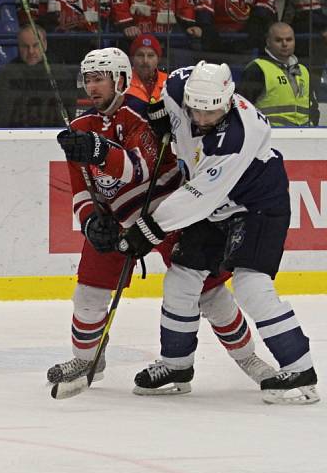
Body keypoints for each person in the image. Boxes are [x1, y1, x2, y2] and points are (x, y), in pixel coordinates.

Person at [47, 48, 274, 388]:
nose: (92, 87)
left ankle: (248, 358)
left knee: (208, 293)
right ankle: (87, 358)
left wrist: (99, 151)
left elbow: (138, 170)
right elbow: (82, 188)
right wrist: (92, 220)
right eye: (88, 79)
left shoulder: (140, 114)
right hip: (118, 220)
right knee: (88, 295)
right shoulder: (81, 128)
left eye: (100, 79)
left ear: (120, 80)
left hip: (167, 215)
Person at [119, 61, 319, 404]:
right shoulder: (182, 86)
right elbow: (165, 88)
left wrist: (148, 229)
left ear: (228, 100)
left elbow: (197, 198)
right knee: (181, 277)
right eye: (194, 111)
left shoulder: (238, 137)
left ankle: (300, 368)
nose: (200, 119)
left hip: (256, 207)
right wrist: (160, 110)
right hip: (215, 206)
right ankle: (177, 365)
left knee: (250, 284)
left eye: (208, 114)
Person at [0, 23, 76, 127]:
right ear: (19, 46)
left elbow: (68, 116)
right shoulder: (7, 74)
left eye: (35, 45)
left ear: (45, 44)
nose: (31, 51)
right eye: (25, 46)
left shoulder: (61, 74)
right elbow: (4, 115)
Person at [238, 22, 319, 126]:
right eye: (278, 40)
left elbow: (313, 107)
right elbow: (242, 108)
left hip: (303, 136)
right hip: (271, 137)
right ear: (268, 42)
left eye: (289, 39)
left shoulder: (303, 70)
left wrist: (312, 126)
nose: (285, 44)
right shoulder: (257, 69)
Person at [287, 0, 327, 97]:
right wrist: (323, 28)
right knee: (304, 75)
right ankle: (306, 99)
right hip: (304, 17)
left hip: (318, 16)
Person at [123, 32, 167, 109]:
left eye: (150, 55)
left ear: (158, 59)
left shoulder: (169, 81)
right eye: (140, 55)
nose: (145, 60)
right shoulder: (122, 83)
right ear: (132, 58)